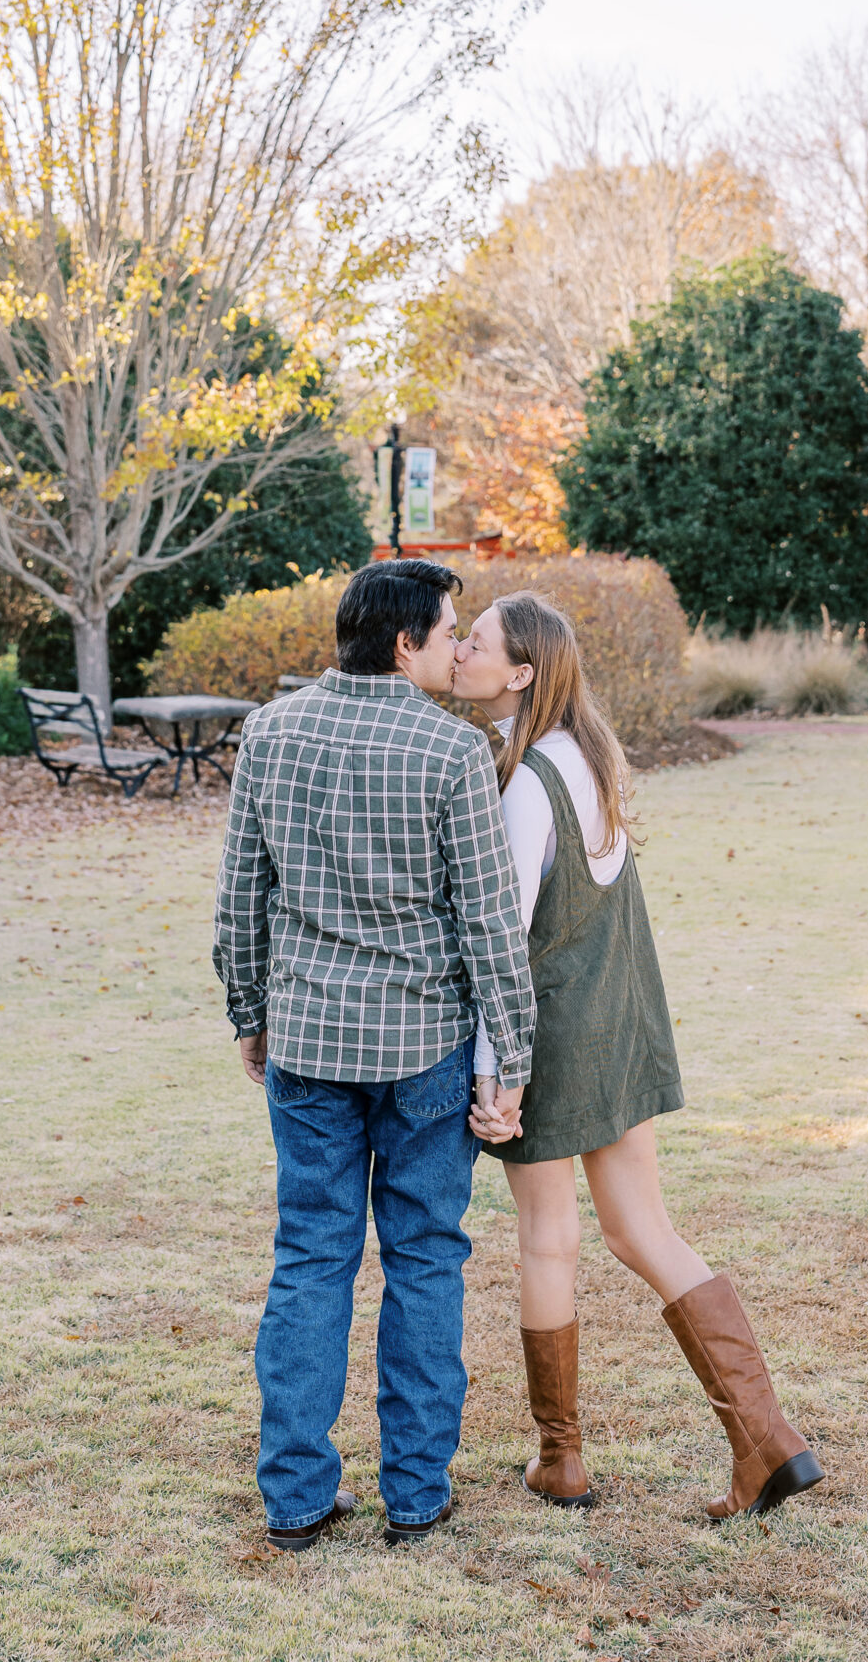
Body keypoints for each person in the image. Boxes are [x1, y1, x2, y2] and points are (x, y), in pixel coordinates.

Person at [456, 591, 823, 1523]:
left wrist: (498, 1075)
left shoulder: (529, 783)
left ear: (521, 671)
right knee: (642, 1232)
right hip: (617, 1029)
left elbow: (505, 940)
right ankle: (765, 1438)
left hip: (552, 1041)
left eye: (476, 643)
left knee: (550, 1239)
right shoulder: (586, 756)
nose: (459, 652)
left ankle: (562, 1459)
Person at [213, 558, 535, 1552]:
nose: (457, 649)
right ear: (404, 643)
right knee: (426, 1260)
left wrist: (249, 1012)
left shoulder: (270, 732)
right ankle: (417, 1495)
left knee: (310, 1259)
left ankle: (298, 1498)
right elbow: (487, 922)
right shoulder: (452, 752)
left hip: (308, 1040)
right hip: (425, 1048)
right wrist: (510, 1056)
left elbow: (240, 901)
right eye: (448, 633)